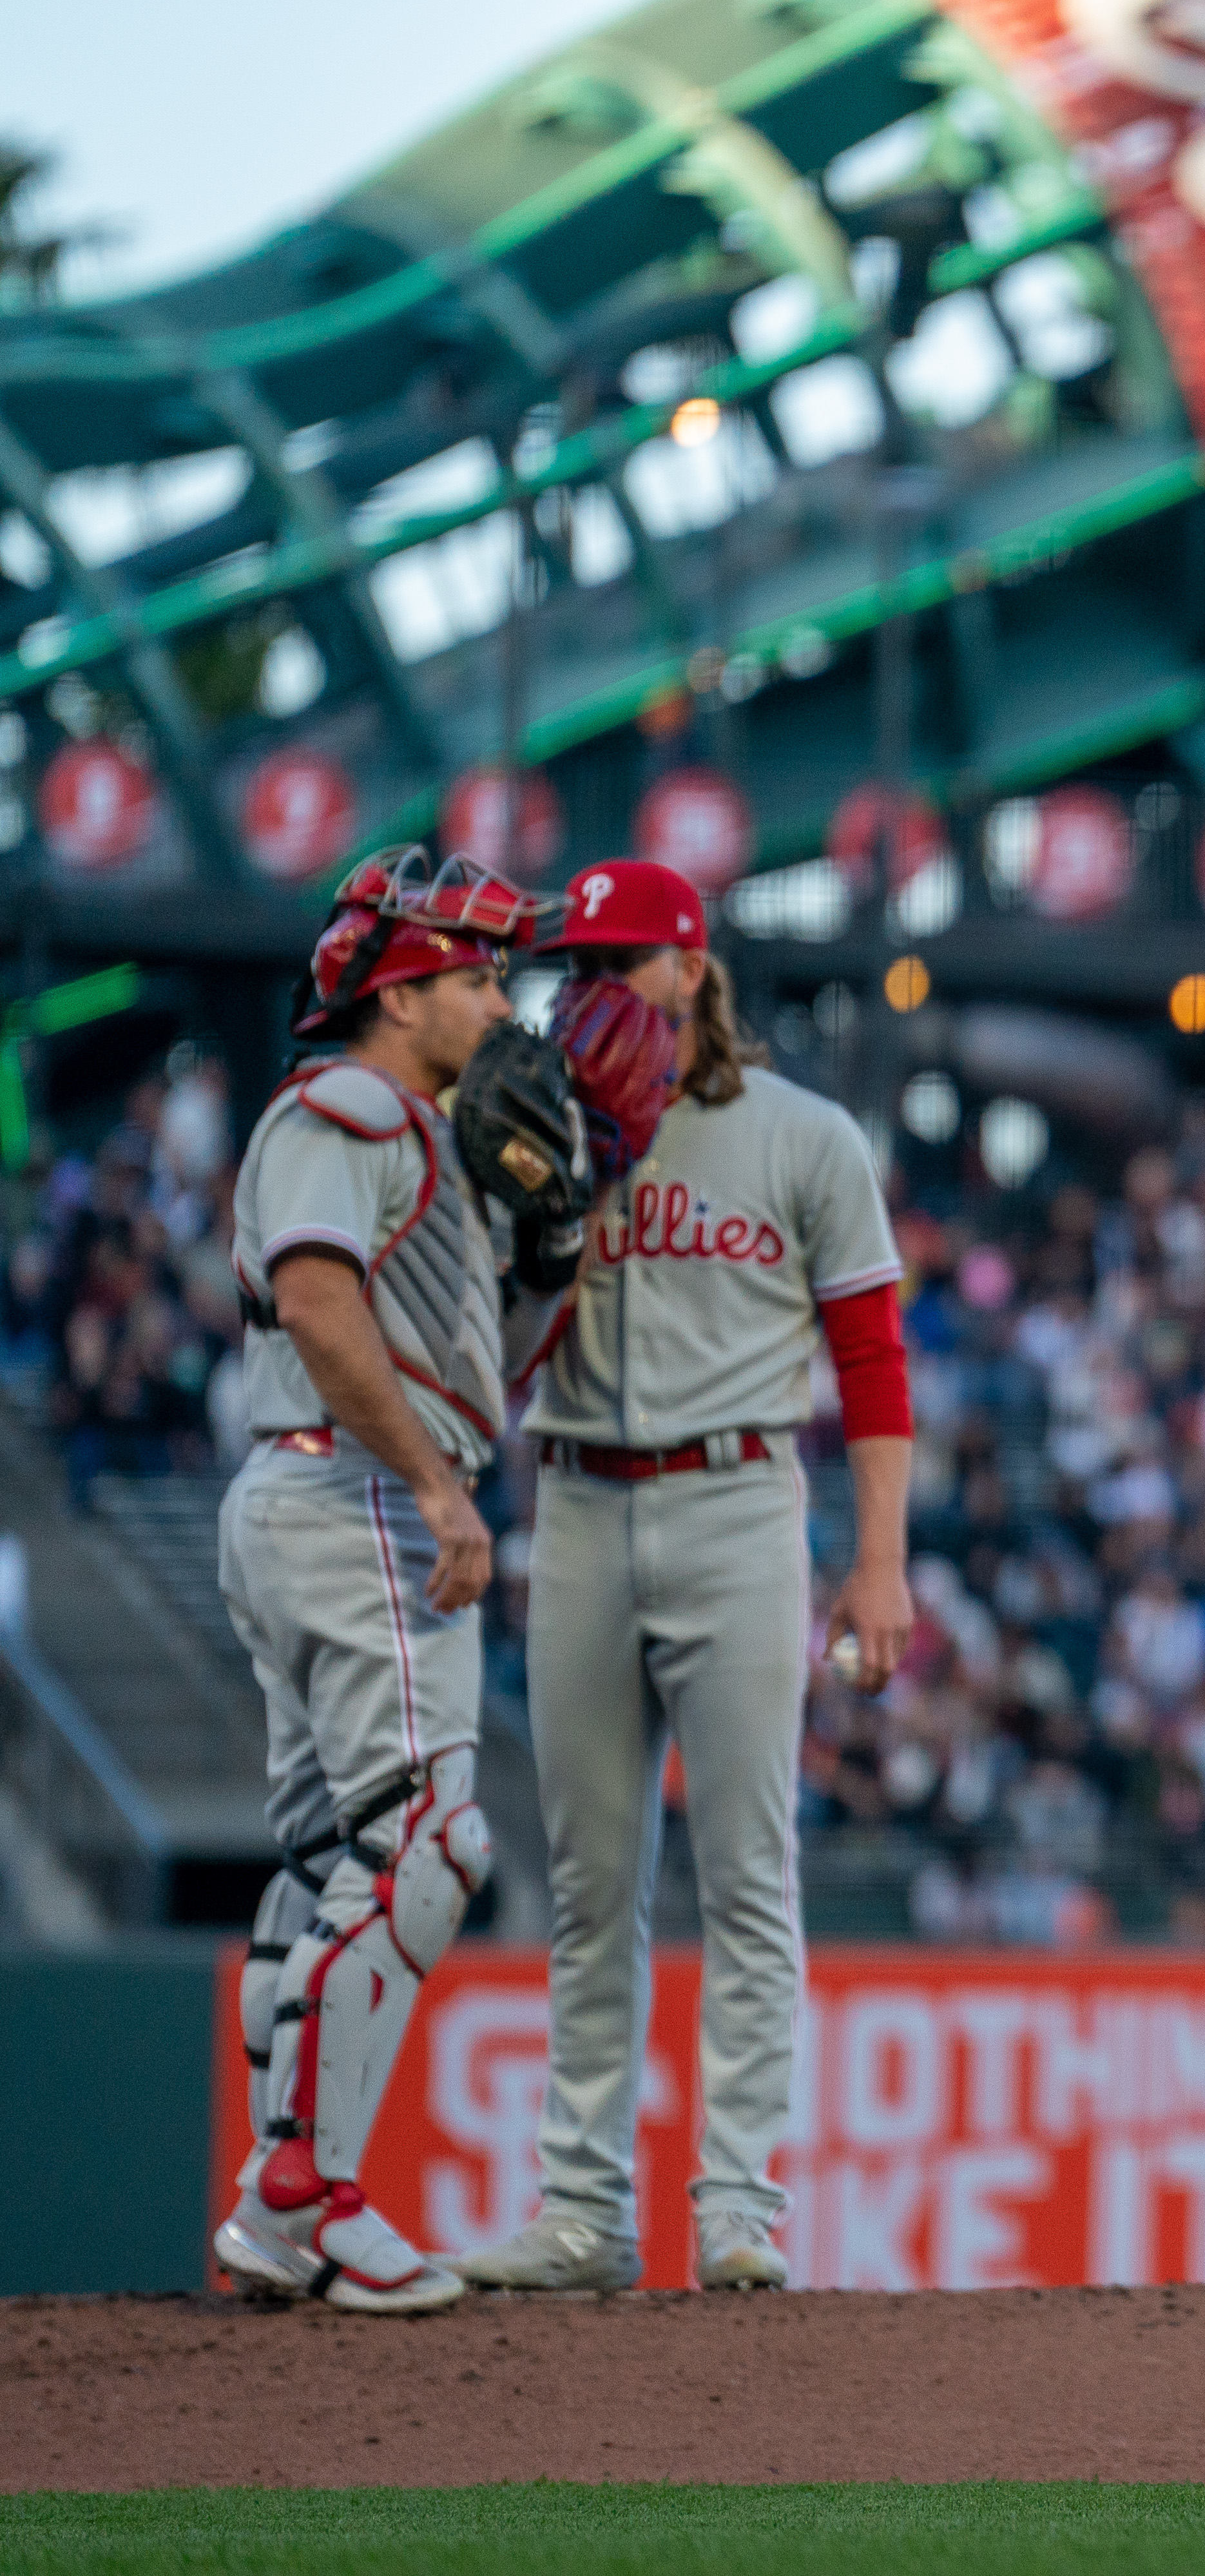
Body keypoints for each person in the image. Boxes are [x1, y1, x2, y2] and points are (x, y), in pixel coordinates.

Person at [457, 860, 911, 2294]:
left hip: (737, 1498)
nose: (595, 989)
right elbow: (501, 1362)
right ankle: (586, 2210)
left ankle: (738, 2207)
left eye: (624, 961)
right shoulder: (543, 1132)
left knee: (746, 1872)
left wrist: (880, 1558)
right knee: (593, 1881)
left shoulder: (801, 1133)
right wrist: (549, 1209)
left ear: (693, 971)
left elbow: (874, 1358)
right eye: (577, 964)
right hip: (580, 1500)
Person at [210, 851, 558, 2312]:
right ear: (399, 989)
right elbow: (314, 1294)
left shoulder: (418, 1133)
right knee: (432, 1840)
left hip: (327, 1486)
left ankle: (275, 2211)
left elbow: (490, 1374)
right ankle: (314, 2184)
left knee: (328, 1862)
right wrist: (429, 1484)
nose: (502, 998)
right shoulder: (345, 1105)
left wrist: (556, 1250)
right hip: (351, 1490)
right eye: (477, 974)